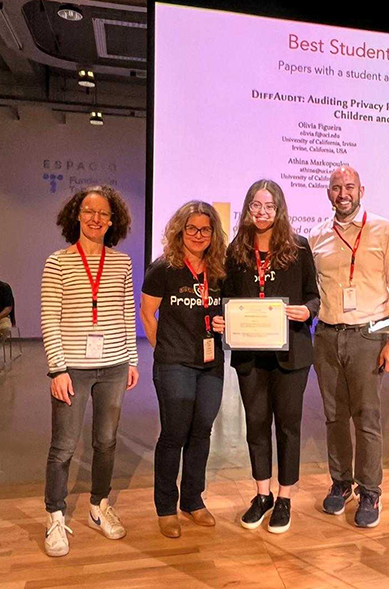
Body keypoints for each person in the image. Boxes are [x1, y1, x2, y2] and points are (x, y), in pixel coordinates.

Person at [213, 179, 319, 534]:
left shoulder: (299, 248)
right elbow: (225, 298)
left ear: (280, 209)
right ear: (247, 208)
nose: (262, 212)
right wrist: (221, 318)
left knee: (288, 426)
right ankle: (262, 495)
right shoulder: (235, 251)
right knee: (256, 425)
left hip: (292, 354)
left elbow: (313, 296)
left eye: (269, 206)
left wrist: (307, 311)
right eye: (256, 206)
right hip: (250, 355)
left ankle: (285, 497)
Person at [308, 166, 389, 528]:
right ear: (328, 192)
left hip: (369, 335)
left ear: (361, 190)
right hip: (327, 336)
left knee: (366, 418)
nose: (343, 193)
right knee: (334, 416)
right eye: (336, 187)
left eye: (349, 186)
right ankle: (341, 484)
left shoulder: (385, 230)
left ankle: (370, 491)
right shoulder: (316, 236)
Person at [41, 186, 139, 557]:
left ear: (113, 221)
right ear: (76, 215)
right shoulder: (58, 262)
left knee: (106, 442)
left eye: (103, 213)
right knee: (63, 446)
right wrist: (57, 370)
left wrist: (131, 359)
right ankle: (55, 514)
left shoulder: (121, 263)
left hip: (113, 366)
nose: (96, 218)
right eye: (88, 211)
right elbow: (50, 318)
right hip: (73, 370)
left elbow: (126, 314)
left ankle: (99, 505)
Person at [141, 201, 227, 539]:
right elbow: (148, 315)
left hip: (211, 365)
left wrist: (225, 324)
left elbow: (227, 311)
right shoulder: (163, 268)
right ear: (180, 230)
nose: (198, 235)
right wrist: (162, 349)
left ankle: (193, 500)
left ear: (213, 234)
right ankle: (165, 506)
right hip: (174, 363)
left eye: (205, 229)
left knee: (201, 432)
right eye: (191, 228)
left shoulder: (219, 270)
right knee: (174, 433)